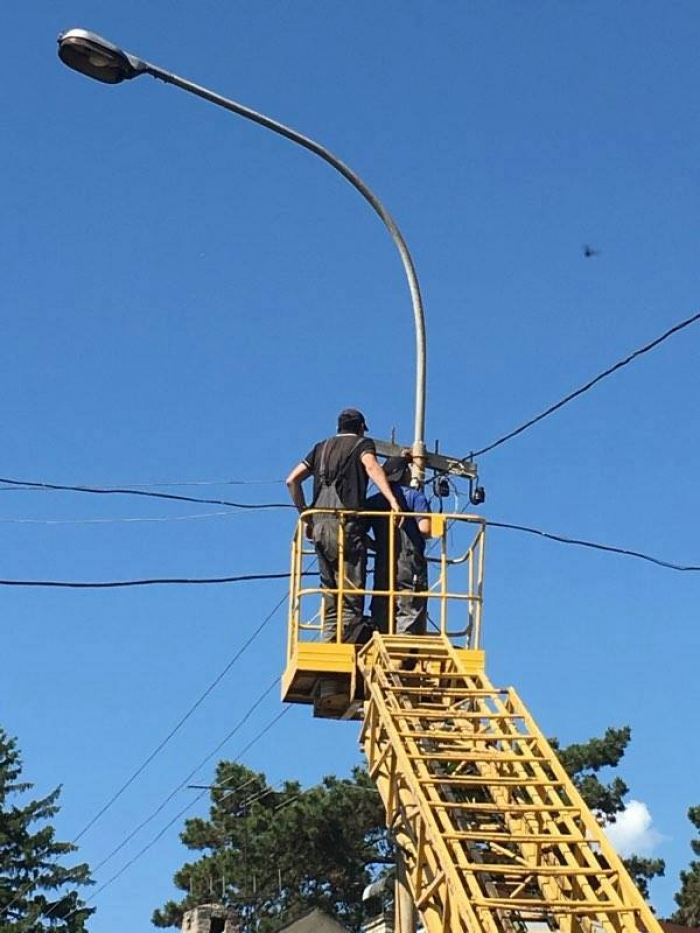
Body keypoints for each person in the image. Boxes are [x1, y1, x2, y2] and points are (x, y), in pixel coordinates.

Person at [286, 408, 401, 643]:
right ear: (360, 428)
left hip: (320, 526)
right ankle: (349, 644)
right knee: (350, 594)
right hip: (346, 525)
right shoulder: (362, 445)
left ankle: (328, 641)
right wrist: (392, 500)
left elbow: (292, 480)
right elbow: (371, 466)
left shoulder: (321, 448)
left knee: (329, 590)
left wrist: (306, 515)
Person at [366, 455, 431, 636]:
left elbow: (356, 532)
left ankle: (382, 638)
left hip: (383, 562)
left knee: (383, 602)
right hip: (409, 562)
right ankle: (404, 647)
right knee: (409, 602)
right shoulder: (415, 497)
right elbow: (424, 529)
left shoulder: (375, 501)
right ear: (405, 473)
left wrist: (376, 545)